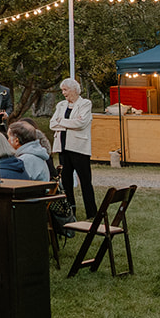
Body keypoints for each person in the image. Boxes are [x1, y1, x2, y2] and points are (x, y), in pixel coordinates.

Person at [50, 77, 96, 217]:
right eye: (62, 90)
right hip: (63, 148)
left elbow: (81, 123)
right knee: (66, 182)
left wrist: (61, 122)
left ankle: (92, 212)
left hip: (79, 148)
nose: (64, 93)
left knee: (85, 181)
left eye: (66, 90)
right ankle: (70, 211)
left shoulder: (85, 104)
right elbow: (52, 124)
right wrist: (69, 122)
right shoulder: (61, 105)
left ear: (74, 90)